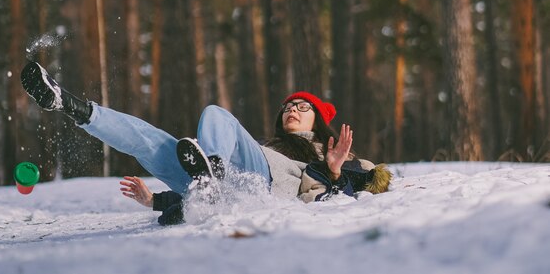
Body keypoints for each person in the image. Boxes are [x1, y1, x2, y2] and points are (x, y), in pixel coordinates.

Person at [20, 61, 391, 225]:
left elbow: (369, 180)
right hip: (227, 183)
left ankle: (209, 171)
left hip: (260, 185)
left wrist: (335, 168)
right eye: (289, 106)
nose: (293, 109)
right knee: (150, 141)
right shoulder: (266, 145)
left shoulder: (330, 152)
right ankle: (70, 105)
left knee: (215, 113)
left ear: (318, 120)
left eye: (302, 107)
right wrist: (156, 202)